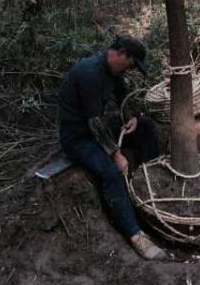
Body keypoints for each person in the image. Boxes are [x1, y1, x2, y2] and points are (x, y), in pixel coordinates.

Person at [58, 35, 166, 261]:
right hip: (78, 138)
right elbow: (94, 123)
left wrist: (132, 116)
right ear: (120, 55)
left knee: (146, 127)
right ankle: (136, 236)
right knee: (111, 174)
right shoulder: (90, 74)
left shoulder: (112, 72)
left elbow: (123, 96)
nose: (129, 70)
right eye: (130, 64)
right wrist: (116, 154)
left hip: (94, 129)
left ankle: (152, 183)